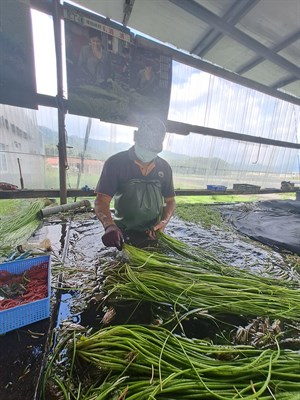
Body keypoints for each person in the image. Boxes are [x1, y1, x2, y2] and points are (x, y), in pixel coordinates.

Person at [94, 117, 176, 250]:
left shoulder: (165, 168)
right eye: (145, 147)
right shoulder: (115, 163)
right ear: (135, 137)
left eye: (153, 150)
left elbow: (170, 201)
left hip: (153, 233)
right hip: (121, 234)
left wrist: (163, 222)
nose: (148, 153)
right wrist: (109, 226)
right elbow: (101, 202)